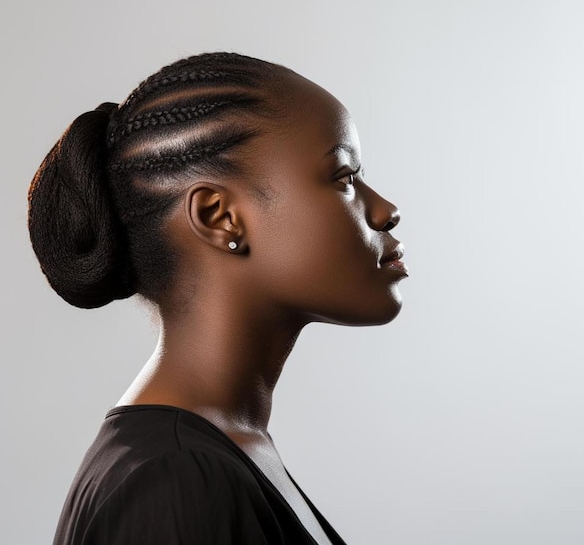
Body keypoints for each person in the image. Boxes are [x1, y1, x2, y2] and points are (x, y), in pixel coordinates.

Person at [28, 52, 408, 544]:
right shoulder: (174, 482)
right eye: (343, 178)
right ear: (219, 216)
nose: (385, 210)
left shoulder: (218, 450)